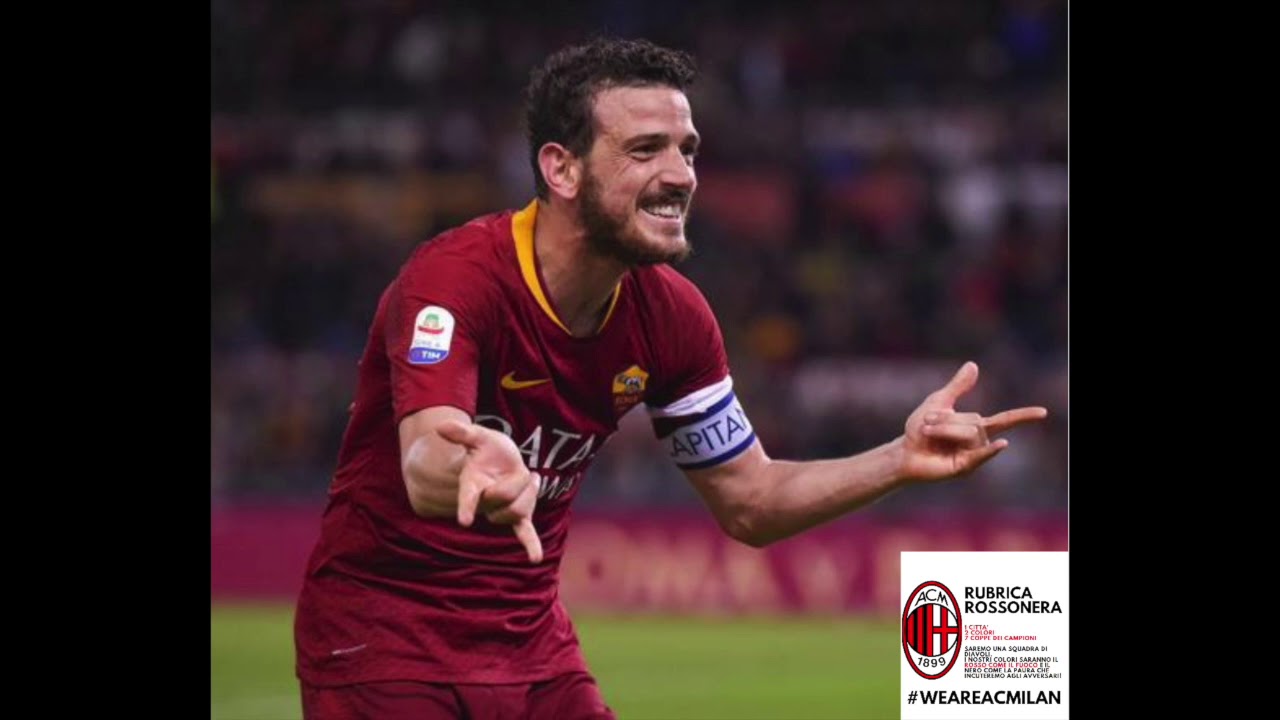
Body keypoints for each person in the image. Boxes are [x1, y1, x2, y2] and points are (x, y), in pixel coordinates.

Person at [293, 36, 1048, 720]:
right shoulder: (455, 279)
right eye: (645, 150)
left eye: (687, 150)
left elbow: (751, 501)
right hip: (383, 643)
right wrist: (475, 466)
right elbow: (426, 457)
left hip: (531, 650)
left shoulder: (673, 317)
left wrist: (898, 460)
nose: (681, 175)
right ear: (561, 168)